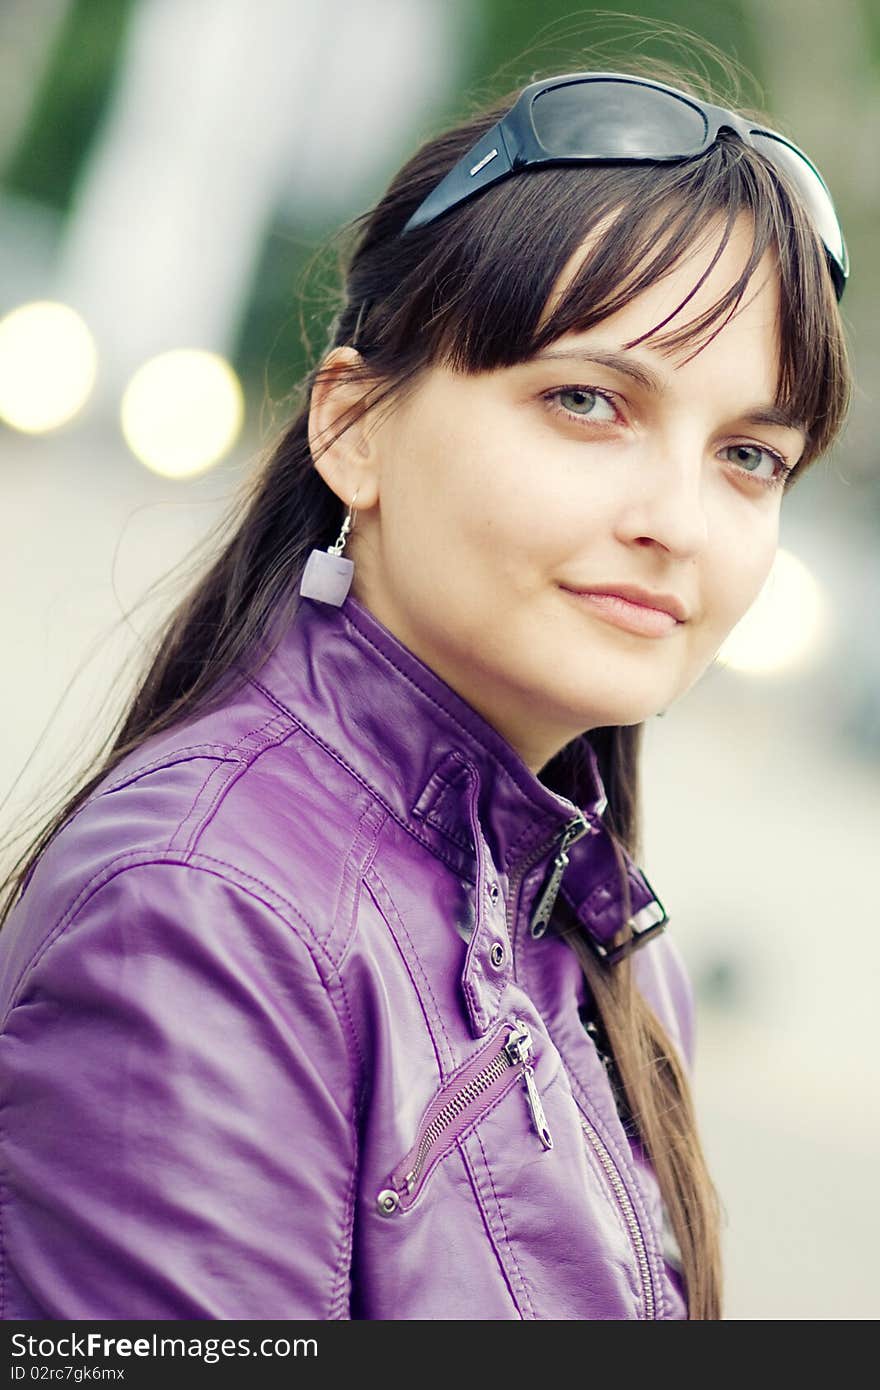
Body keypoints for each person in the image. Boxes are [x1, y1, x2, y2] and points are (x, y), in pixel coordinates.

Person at [0, 60, 851, 1322]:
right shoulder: (201, 912)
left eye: (747, 455)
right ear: (353, 427)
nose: (679, 519)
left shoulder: (590, 916)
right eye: (586, 400)